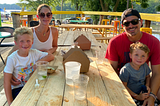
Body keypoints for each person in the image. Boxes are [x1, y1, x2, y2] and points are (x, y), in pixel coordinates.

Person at [105, 8, 160, 106]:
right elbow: (112, 72)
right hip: (122, 84)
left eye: (134, 21)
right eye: (126, 23)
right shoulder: (114, 42)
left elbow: (156, 73)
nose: (131, 25)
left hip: (142, 82)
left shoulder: (154, 42)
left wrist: (152, 96)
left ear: (141, 22)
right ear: (122, 26)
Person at [4, 27, 54, 105]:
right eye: (22, 41)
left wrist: (37, 63)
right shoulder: (12, 58)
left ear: (32, 42)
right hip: (18, 88)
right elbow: (6, 82)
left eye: (28, 41)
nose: (25, 44)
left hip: (33, 85)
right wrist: (10, 103)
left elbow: (51, 56)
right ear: (16, 43)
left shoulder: (34, 53)